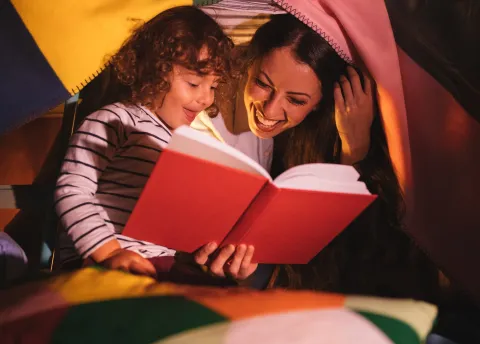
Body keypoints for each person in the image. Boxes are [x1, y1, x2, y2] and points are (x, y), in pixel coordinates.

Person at [192, 14, 441, 300]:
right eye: (262, 83)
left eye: (296, 100)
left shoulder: (336, 134)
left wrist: (354, 151)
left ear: (321, 102)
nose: (270, 111)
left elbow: (361, 256)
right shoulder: (212, 101)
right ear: (249, 66)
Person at [54, 6, 236, 278]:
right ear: (155, 71)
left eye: (213, 86)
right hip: (103, 263)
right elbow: (72, 190)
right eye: (194, 83)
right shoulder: (115, 120)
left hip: (164, 266)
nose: (207, 99)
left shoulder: (186, 142)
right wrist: (109, 252)